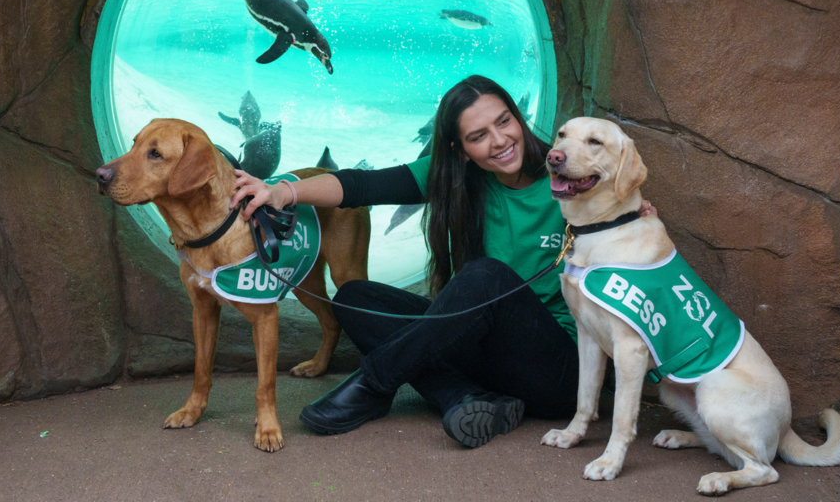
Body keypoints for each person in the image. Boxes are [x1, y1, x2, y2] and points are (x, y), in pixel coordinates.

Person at [230, 75, 648, 448]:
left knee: (485, 276)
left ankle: (375, 383)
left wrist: (636, 212)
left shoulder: (573, 177)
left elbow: (630, 215)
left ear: (519, 119)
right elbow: (362, 185)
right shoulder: (459, 177)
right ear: (460, 150)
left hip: (559, 371)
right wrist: (283, 191)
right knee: (355, 298)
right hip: (486, 352)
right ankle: (464, 398)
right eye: (478, 135)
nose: (500, 141)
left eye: (505, 122)